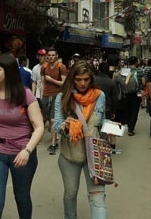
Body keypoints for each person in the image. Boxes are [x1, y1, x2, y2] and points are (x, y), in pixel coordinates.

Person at [0, 52, 44, 219]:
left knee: (22, 197)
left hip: (22, 152)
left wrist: (27, 151)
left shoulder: (25, 94)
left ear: (8, 71)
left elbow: (39, 127)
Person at [53, 61, 107, 219]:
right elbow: (56, 125)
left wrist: (111, 127)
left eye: (86, 79)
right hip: (70, 156)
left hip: (94, 157)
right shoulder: (63, 97)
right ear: (72, 79)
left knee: (98, 198)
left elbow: (100, 122)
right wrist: (67, 127)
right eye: (78, 79)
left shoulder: (99, 95)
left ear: (91, 79)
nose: (82, 83)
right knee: (70, 194)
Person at [41, 47, 67, 155]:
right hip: (46, 96)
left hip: (57, 95)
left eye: (53, 55)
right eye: (49, 55)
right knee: (48, 119)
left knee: (52, 120)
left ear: (56, 56)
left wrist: (52, 80)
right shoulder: (44, 67)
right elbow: (42, 82)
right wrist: (41, 95)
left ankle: (53, 144)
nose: (51, 57)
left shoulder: (62, 67)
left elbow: (64, 83)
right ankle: (55, 134)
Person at [94, 62, 121, 154]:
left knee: (96, 127)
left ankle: (98, 145)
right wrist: (114, 111)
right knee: (108, 126)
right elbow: (115, 98)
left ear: (99, 70)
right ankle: (111, 146)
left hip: (94, 108)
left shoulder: (93, 80)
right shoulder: (111, 82)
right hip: (107, 108)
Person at [124, 56, 142, 137]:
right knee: (134, 111)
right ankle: (131, 129)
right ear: (136, 63)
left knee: (127, 110)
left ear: (128, 63)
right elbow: (144, 82)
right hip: (136, 94)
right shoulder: (140, 71)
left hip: (126, 93)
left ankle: (128, 123)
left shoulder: (125, 71)